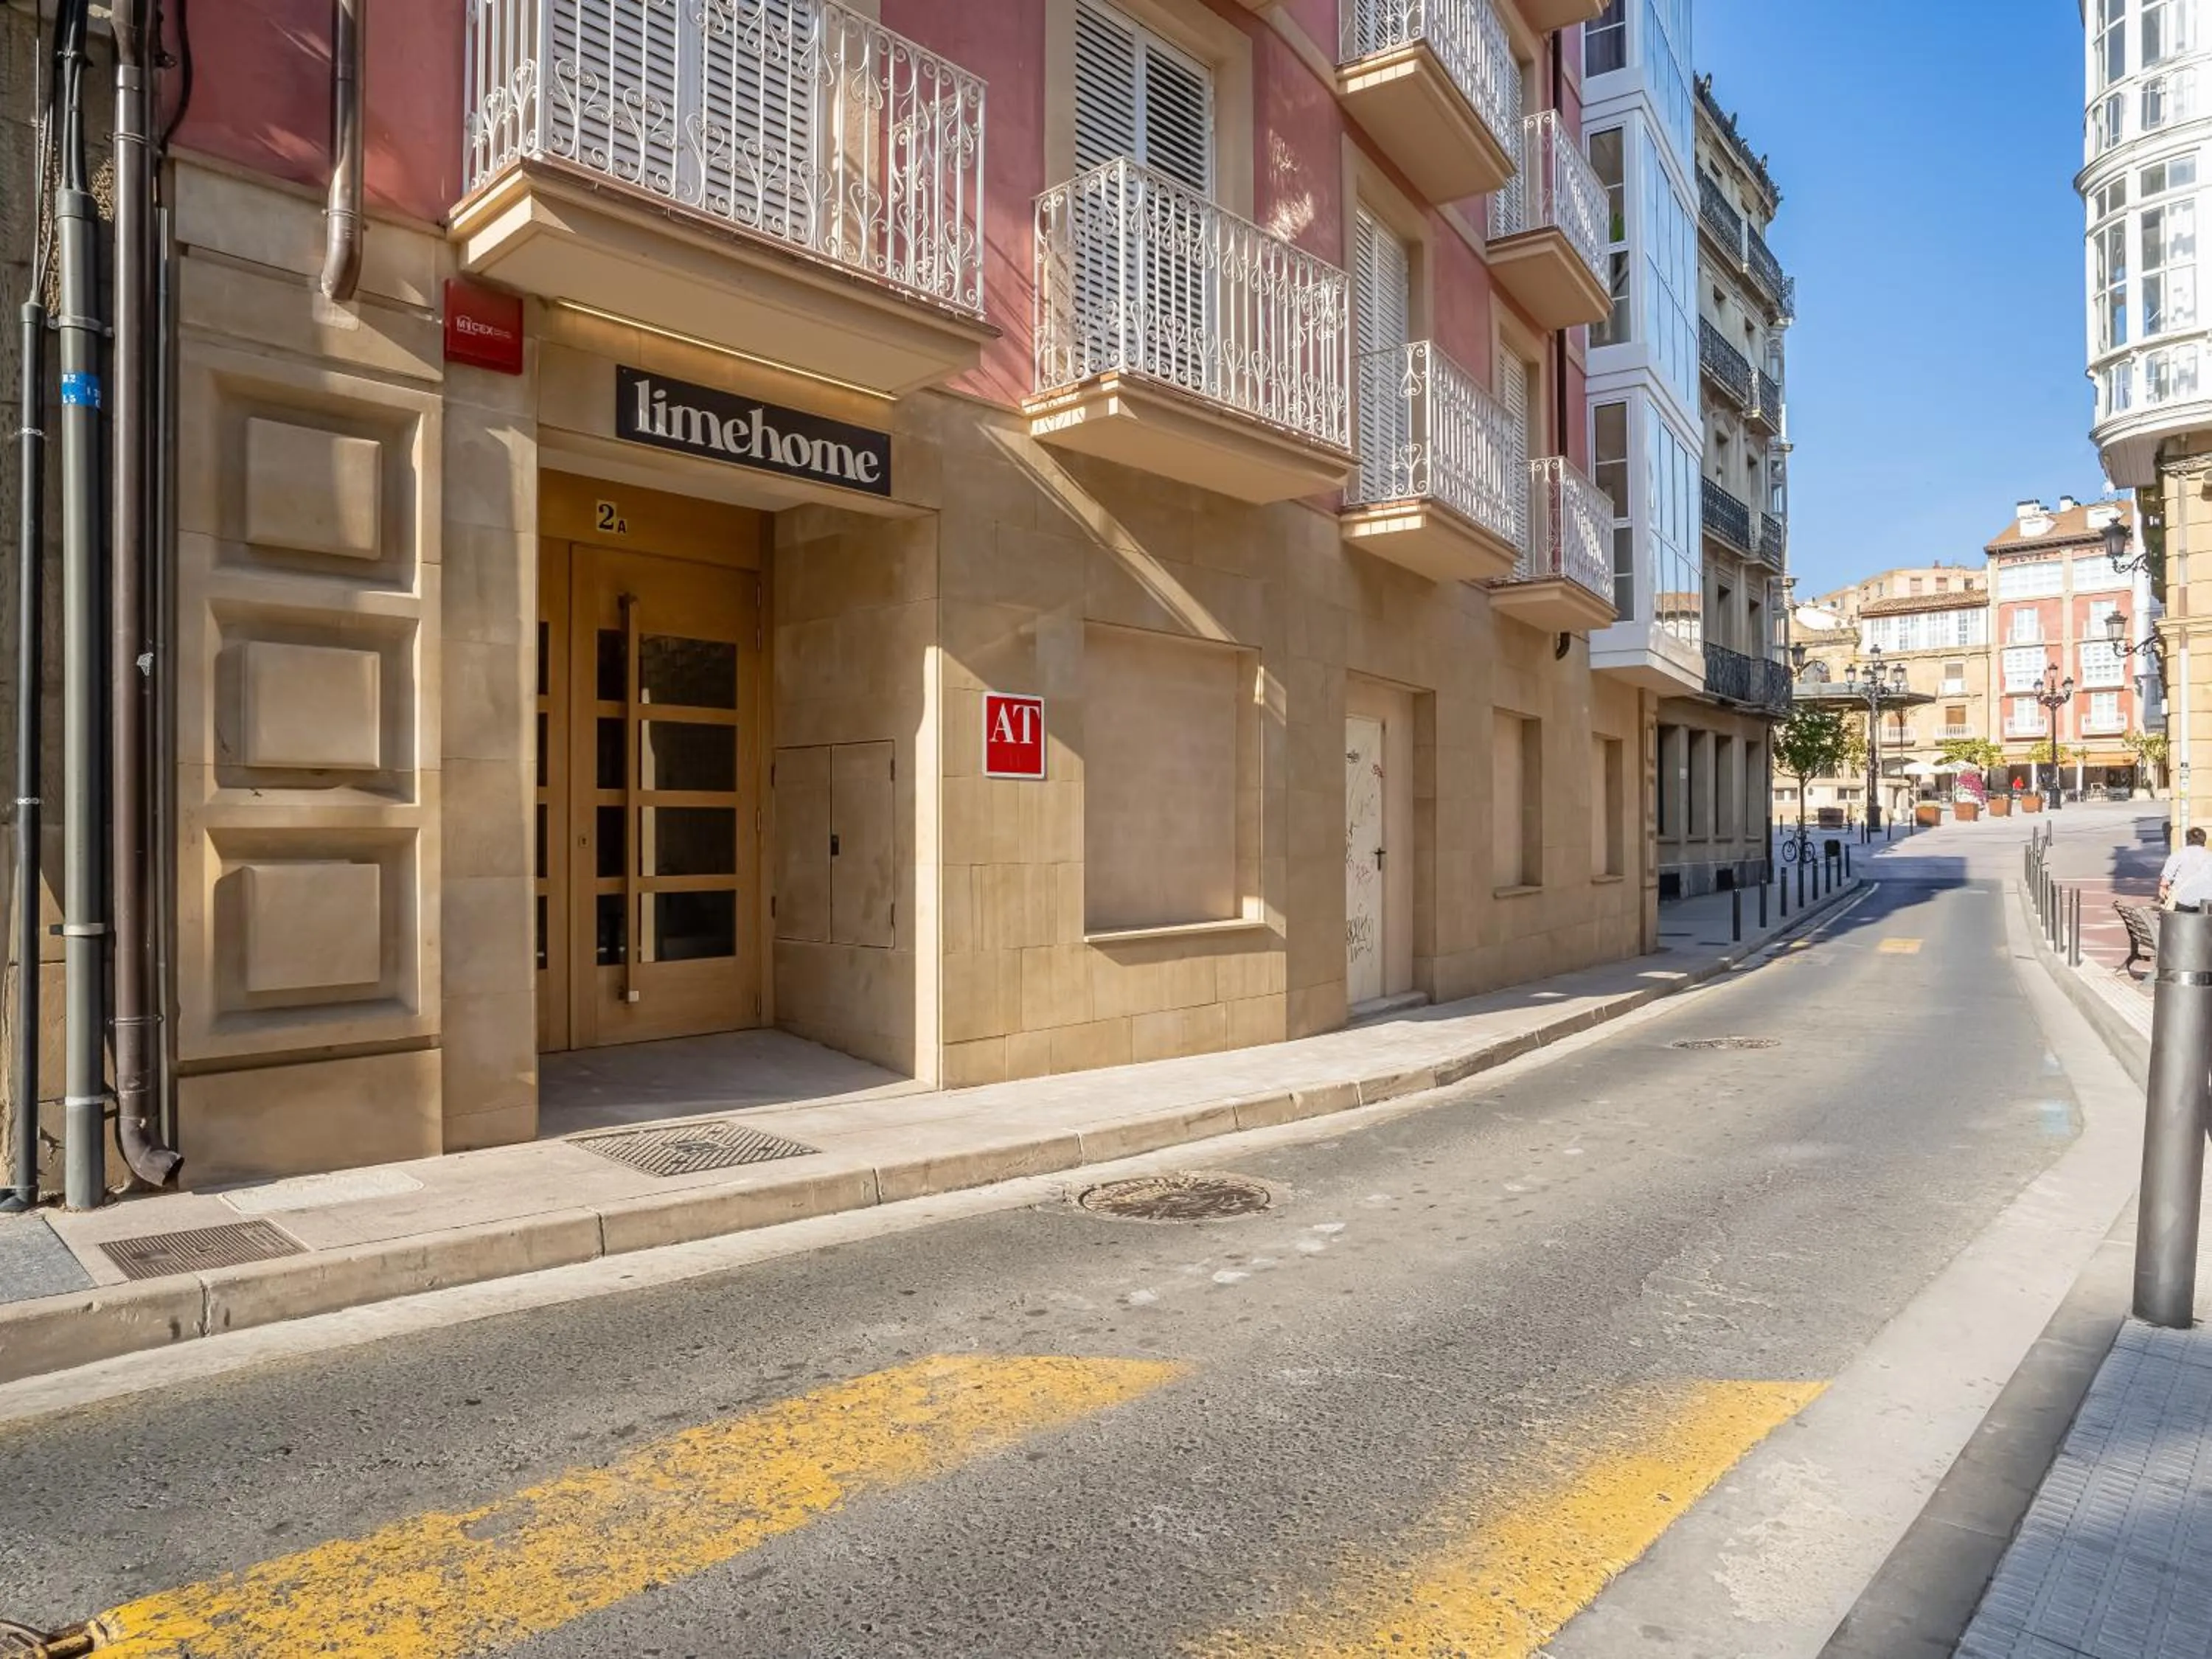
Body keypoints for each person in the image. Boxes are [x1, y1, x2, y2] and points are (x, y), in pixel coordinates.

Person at [2159, 826, 2212, 910]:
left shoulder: (2179, 854)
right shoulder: (2210, 856)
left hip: (2183, 901)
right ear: (2204, 840)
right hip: (2207, 903)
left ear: (2188, 840)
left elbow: (2165, 880)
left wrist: (2163, 890)